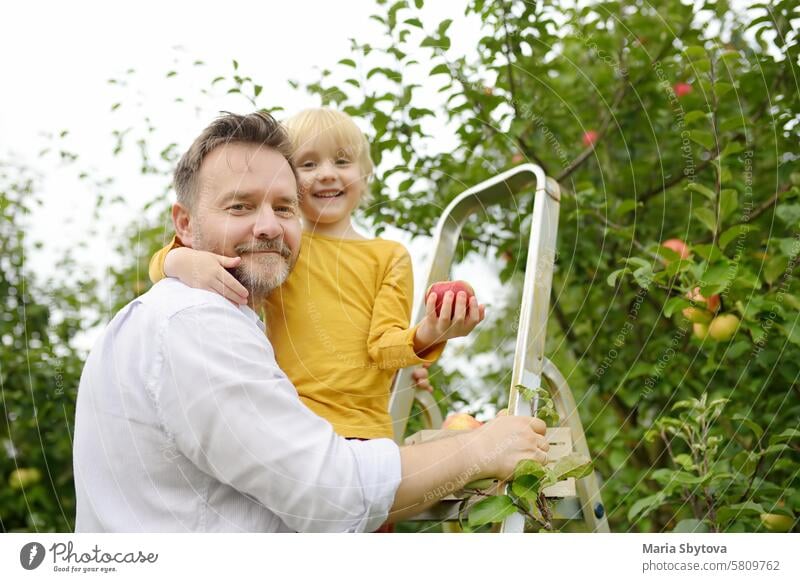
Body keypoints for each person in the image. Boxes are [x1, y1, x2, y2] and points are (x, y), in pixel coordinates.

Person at [72, 111, 549, 533]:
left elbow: (374, 345)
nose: (267, 226)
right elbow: (330, 490)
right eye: (239, 205)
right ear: (184, 223)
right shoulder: (198, 319)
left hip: (360, 432)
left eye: (284, 207)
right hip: (338, 457)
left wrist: (419, 343)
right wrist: (477, 449)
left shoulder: (240, 296)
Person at [149, 107, 484, 439]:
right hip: (289, 420)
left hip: (363, 430)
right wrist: (179, 261)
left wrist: (430, 331)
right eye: (308, 164)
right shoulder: (282, 245)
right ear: (287, 181)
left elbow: (383, 348)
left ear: (365, 175)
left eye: (342, 161)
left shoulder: (390, 256)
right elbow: (166, 263)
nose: (326, 174)